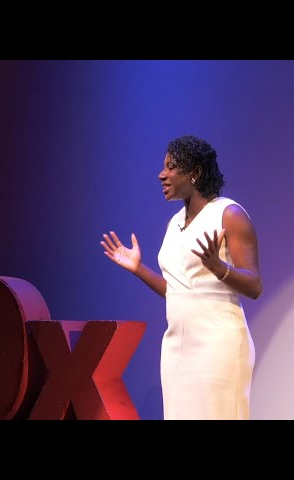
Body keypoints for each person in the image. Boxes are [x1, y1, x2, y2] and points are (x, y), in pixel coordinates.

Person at [100, 135, 262, 420]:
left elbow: (254, 285)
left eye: (171, 167)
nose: (161, 174)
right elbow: (178, 290)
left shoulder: (229, 214)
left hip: (218, 346)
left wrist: (218, 268)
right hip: (176, 348)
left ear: (194, 173)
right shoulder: (174, 223)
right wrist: (138, 268)